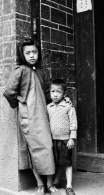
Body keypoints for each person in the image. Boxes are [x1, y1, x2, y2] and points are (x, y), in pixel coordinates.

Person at [3, 39, 60, 195]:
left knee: (48, 148)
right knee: (34, 150)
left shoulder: (41, 71)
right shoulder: (20, 70)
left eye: (34, 52)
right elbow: (8, 92)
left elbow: (49, 93)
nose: (32, 55)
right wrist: (20, 103)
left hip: (43, 115)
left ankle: (50, 184)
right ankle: (40, 185)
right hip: (28, 117)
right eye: (28, 53)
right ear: (22, 55)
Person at [47, 79, 77, 195]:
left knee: (67, 162)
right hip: (53, 140)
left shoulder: (68, 106)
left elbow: (73, 123)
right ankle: (56, 181)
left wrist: (72, 138)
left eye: (58, 92)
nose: (55, 94)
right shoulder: (48, 107)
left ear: (64, 93)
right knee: (56, 162)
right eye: (52, 91)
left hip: (65, 140)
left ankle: (69, 186)